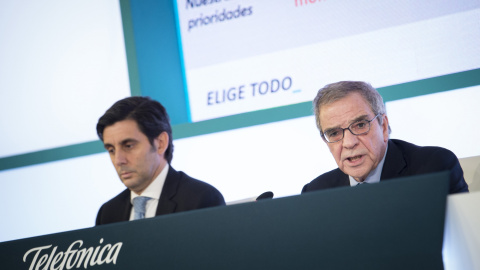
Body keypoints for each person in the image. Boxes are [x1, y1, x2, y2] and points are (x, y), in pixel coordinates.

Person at [302, 81, 468, 194]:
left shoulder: (434, 169)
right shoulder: (316, 192)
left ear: (383, 126)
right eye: (334, 133)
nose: (349, 143)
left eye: (360, 125)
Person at [95, 96, 225, 225]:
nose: (118, 160)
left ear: (161, 143)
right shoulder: (107, 214)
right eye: (111, 150)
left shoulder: (201, 199)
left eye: (129, 146)